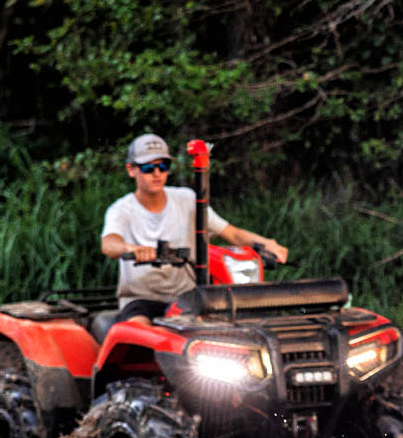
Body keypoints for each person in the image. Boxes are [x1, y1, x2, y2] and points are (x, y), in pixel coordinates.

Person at [100, 133, 290, 324]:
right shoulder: (121, 210)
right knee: (138, 332)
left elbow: (231, 233)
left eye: (163, 166)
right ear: (131, 170)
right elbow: (109, 244)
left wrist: (268, 244)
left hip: (187, 298)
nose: (157, 173)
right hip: (141, 299)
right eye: (149, 168)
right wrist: (132, 249)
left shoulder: (188, 200)